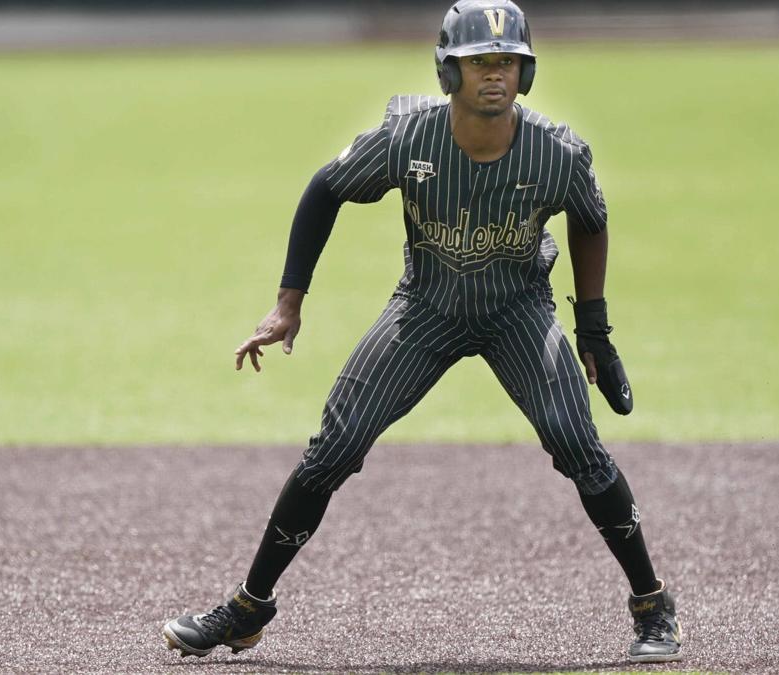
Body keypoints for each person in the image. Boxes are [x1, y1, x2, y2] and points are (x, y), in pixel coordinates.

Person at [160, 0, 682, 664]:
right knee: (334, 446)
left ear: (524, 74)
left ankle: (653, 605)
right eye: (478, 63)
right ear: (449, 71)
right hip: (426, 307)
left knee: (576, 442)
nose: (494, 74)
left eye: (508, 62)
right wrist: (287, 304)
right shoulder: (410, 137)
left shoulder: (558, 153)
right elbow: (326, 188)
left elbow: (590, 218)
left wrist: (594, 329)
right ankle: (247, 607)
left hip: (517, 309)